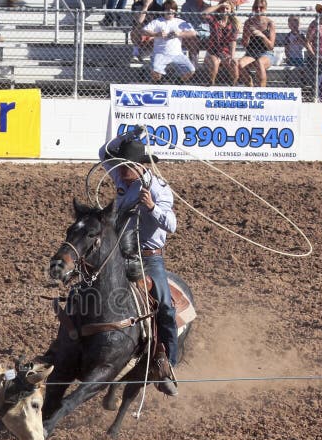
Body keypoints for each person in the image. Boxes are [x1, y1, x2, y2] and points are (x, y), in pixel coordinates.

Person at [97, 129, 179, 396]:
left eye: (124, 169)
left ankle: (167, 365)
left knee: (165, 307)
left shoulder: (159, 189)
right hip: (120, 251)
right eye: (118, 168)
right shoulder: (122, 174)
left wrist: (153, 208)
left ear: (138, 166)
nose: (118, 174)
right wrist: (128, 136)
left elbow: (172, 225)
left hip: (148, 258)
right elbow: (103, 152)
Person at [137, 0, 197, 83]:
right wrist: (156, 34)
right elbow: (143, 31)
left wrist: (179, 33)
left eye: (172, 9)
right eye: (167, 9)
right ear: (163, 10)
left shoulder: (180, 22)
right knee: (155, 71)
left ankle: (178, 82)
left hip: (177, 54)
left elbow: (193, 33)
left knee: (191, 70)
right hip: (160, 53)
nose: (170, 11)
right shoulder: (157, 21)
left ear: (175, 11)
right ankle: (159, 84)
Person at [238, 0, 275, 87]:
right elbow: (244, 44)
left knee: (260, 62)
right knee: (239, 64)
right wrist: (247, 35)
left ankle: (261, 91)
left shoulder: (270, 23)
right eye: (256, 7)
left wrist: (262, 36)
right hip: (251, 53)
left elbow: (271, 47)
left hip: (266, 53)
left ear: (265, 8)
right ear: (253, 8)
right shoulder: (248, 22)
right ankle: (250, 86)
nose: (258, 9)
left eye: (261, 7)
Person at [201, 0, 239, 85]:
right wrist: (220, 5)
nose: (224, 10)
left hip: (225, 52)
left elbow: (233, 41)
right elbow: (203, 13)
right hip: (212, 51)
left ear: (231, 10)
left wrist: (232, 57)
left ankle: (233, 84)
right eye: (222, 8)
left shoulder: (233, 25)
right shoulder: (214, 19)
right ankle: (211, 83)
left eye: (227, 8)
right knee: (215, 62)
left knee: (234, 63)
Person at [180, 0, 210, 66]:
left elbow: (209, 22)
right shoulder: (186, 5)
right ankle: (194, 59)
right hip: (190, 30)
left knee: (208, 37)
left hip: (204, 31)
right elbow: (185, 21)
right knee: (193, 36)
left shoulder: (207, 6)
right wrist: (194, 31)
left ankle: (200, 61)